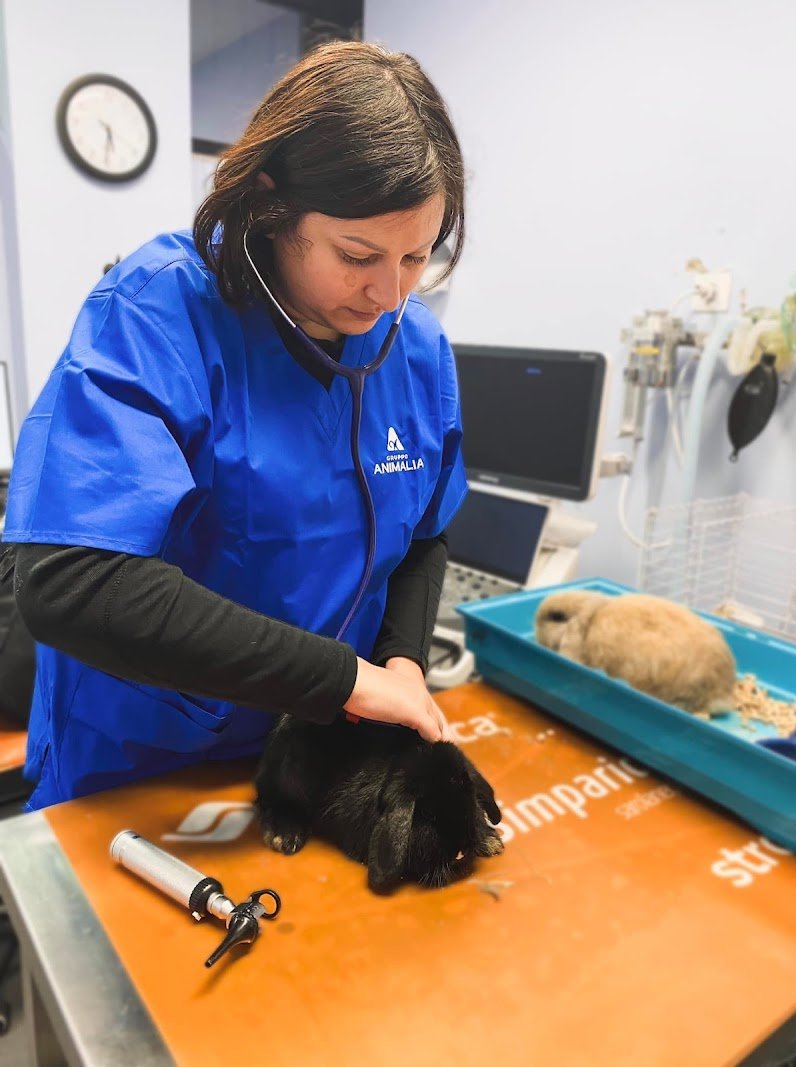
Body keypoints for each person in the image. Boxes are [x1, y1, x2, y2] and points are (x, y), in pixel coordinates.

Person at [2, 40, 468, 811]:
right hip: (142, 763)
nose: (389, 294)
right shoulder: (157, 311)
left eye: (417, 256)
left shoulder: (414, 348)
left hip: (312, 758)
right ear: (269, 205)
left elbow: (423, 534)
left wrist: (404, 664)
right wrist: (348, 679)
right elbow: (71, 581)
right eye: (358, 254)